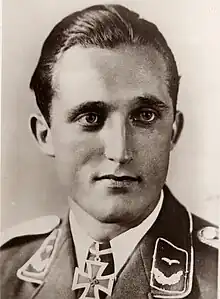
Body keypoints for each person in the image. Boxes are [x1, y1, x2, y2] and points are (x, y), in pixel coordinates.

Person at [0, 4, 218, 299]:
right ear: (45, 135)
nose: (120, 151)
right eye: (90, 118)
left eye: (145, 116)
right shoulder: (5, 271)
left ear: (174, 131)